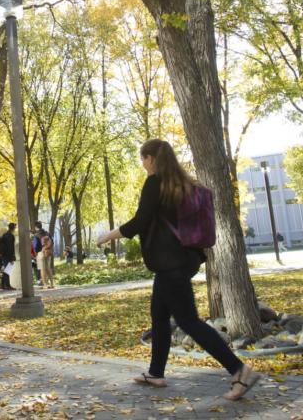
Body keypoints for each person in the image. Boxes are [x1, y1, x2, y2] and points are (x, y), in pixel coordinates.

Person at [96, 139, 261, 400]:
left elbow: (141, 220)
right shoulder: (182, 186)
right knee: (159, 316)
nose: (143, 164)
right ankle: (156, 373)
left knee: (188, 321)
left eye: (143, 159)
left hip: (170, 264)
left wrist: (109, 236)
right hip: (183, 261)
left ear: (151, 158)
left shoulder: (155, 183)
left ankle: (239, 370)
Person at [0, 222, 16, 290]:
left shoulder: (4, 235)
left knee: (6, 269)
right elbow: (10, 247)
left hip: (4, 255)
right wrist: (12, 257)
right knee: (8, 270)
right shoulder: (10, 236)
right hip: (8, 255)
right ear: (13, 228)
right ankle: (7, 285)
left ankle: (3, 285)